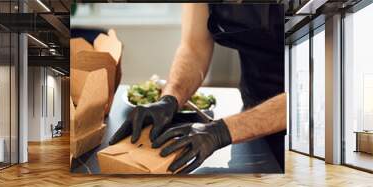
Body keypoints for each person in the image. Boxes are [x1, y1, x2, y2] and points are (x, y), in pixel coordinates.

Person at [109, 3, 286, 174]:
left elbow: (310, 94)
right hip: (253, 106)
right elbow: (194, 47)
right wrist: (170, 98)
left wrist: (222, 131)